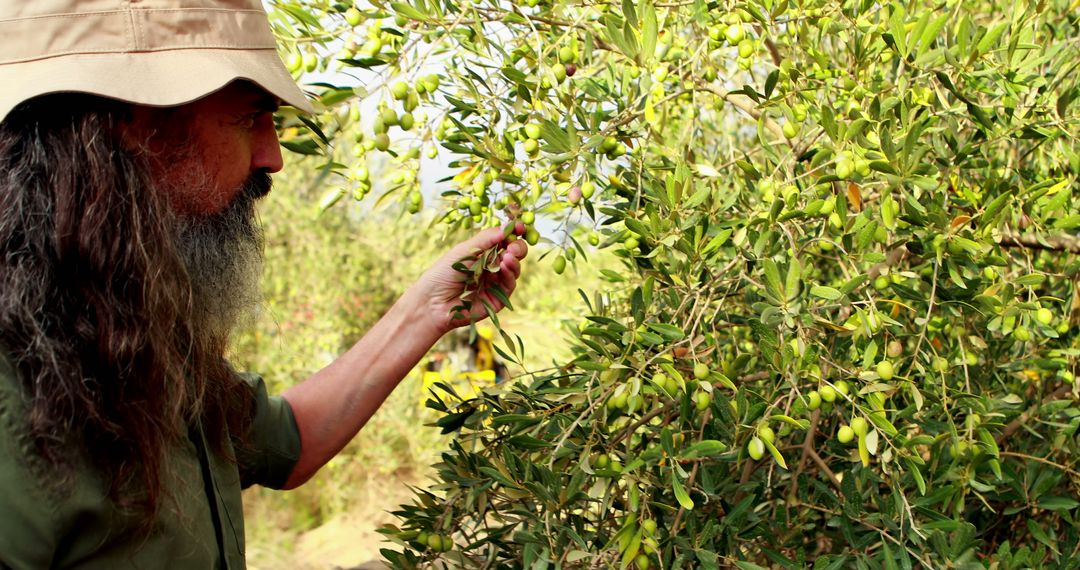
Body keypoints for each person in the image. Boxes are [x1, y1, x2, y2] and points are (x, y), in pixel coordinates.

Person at [0, 0, 527, 567]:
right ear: (134, 122)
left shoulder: (119, 321)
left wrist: (426, 311)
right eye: (250, 117)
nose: (273, 157)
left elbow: (286, 443)